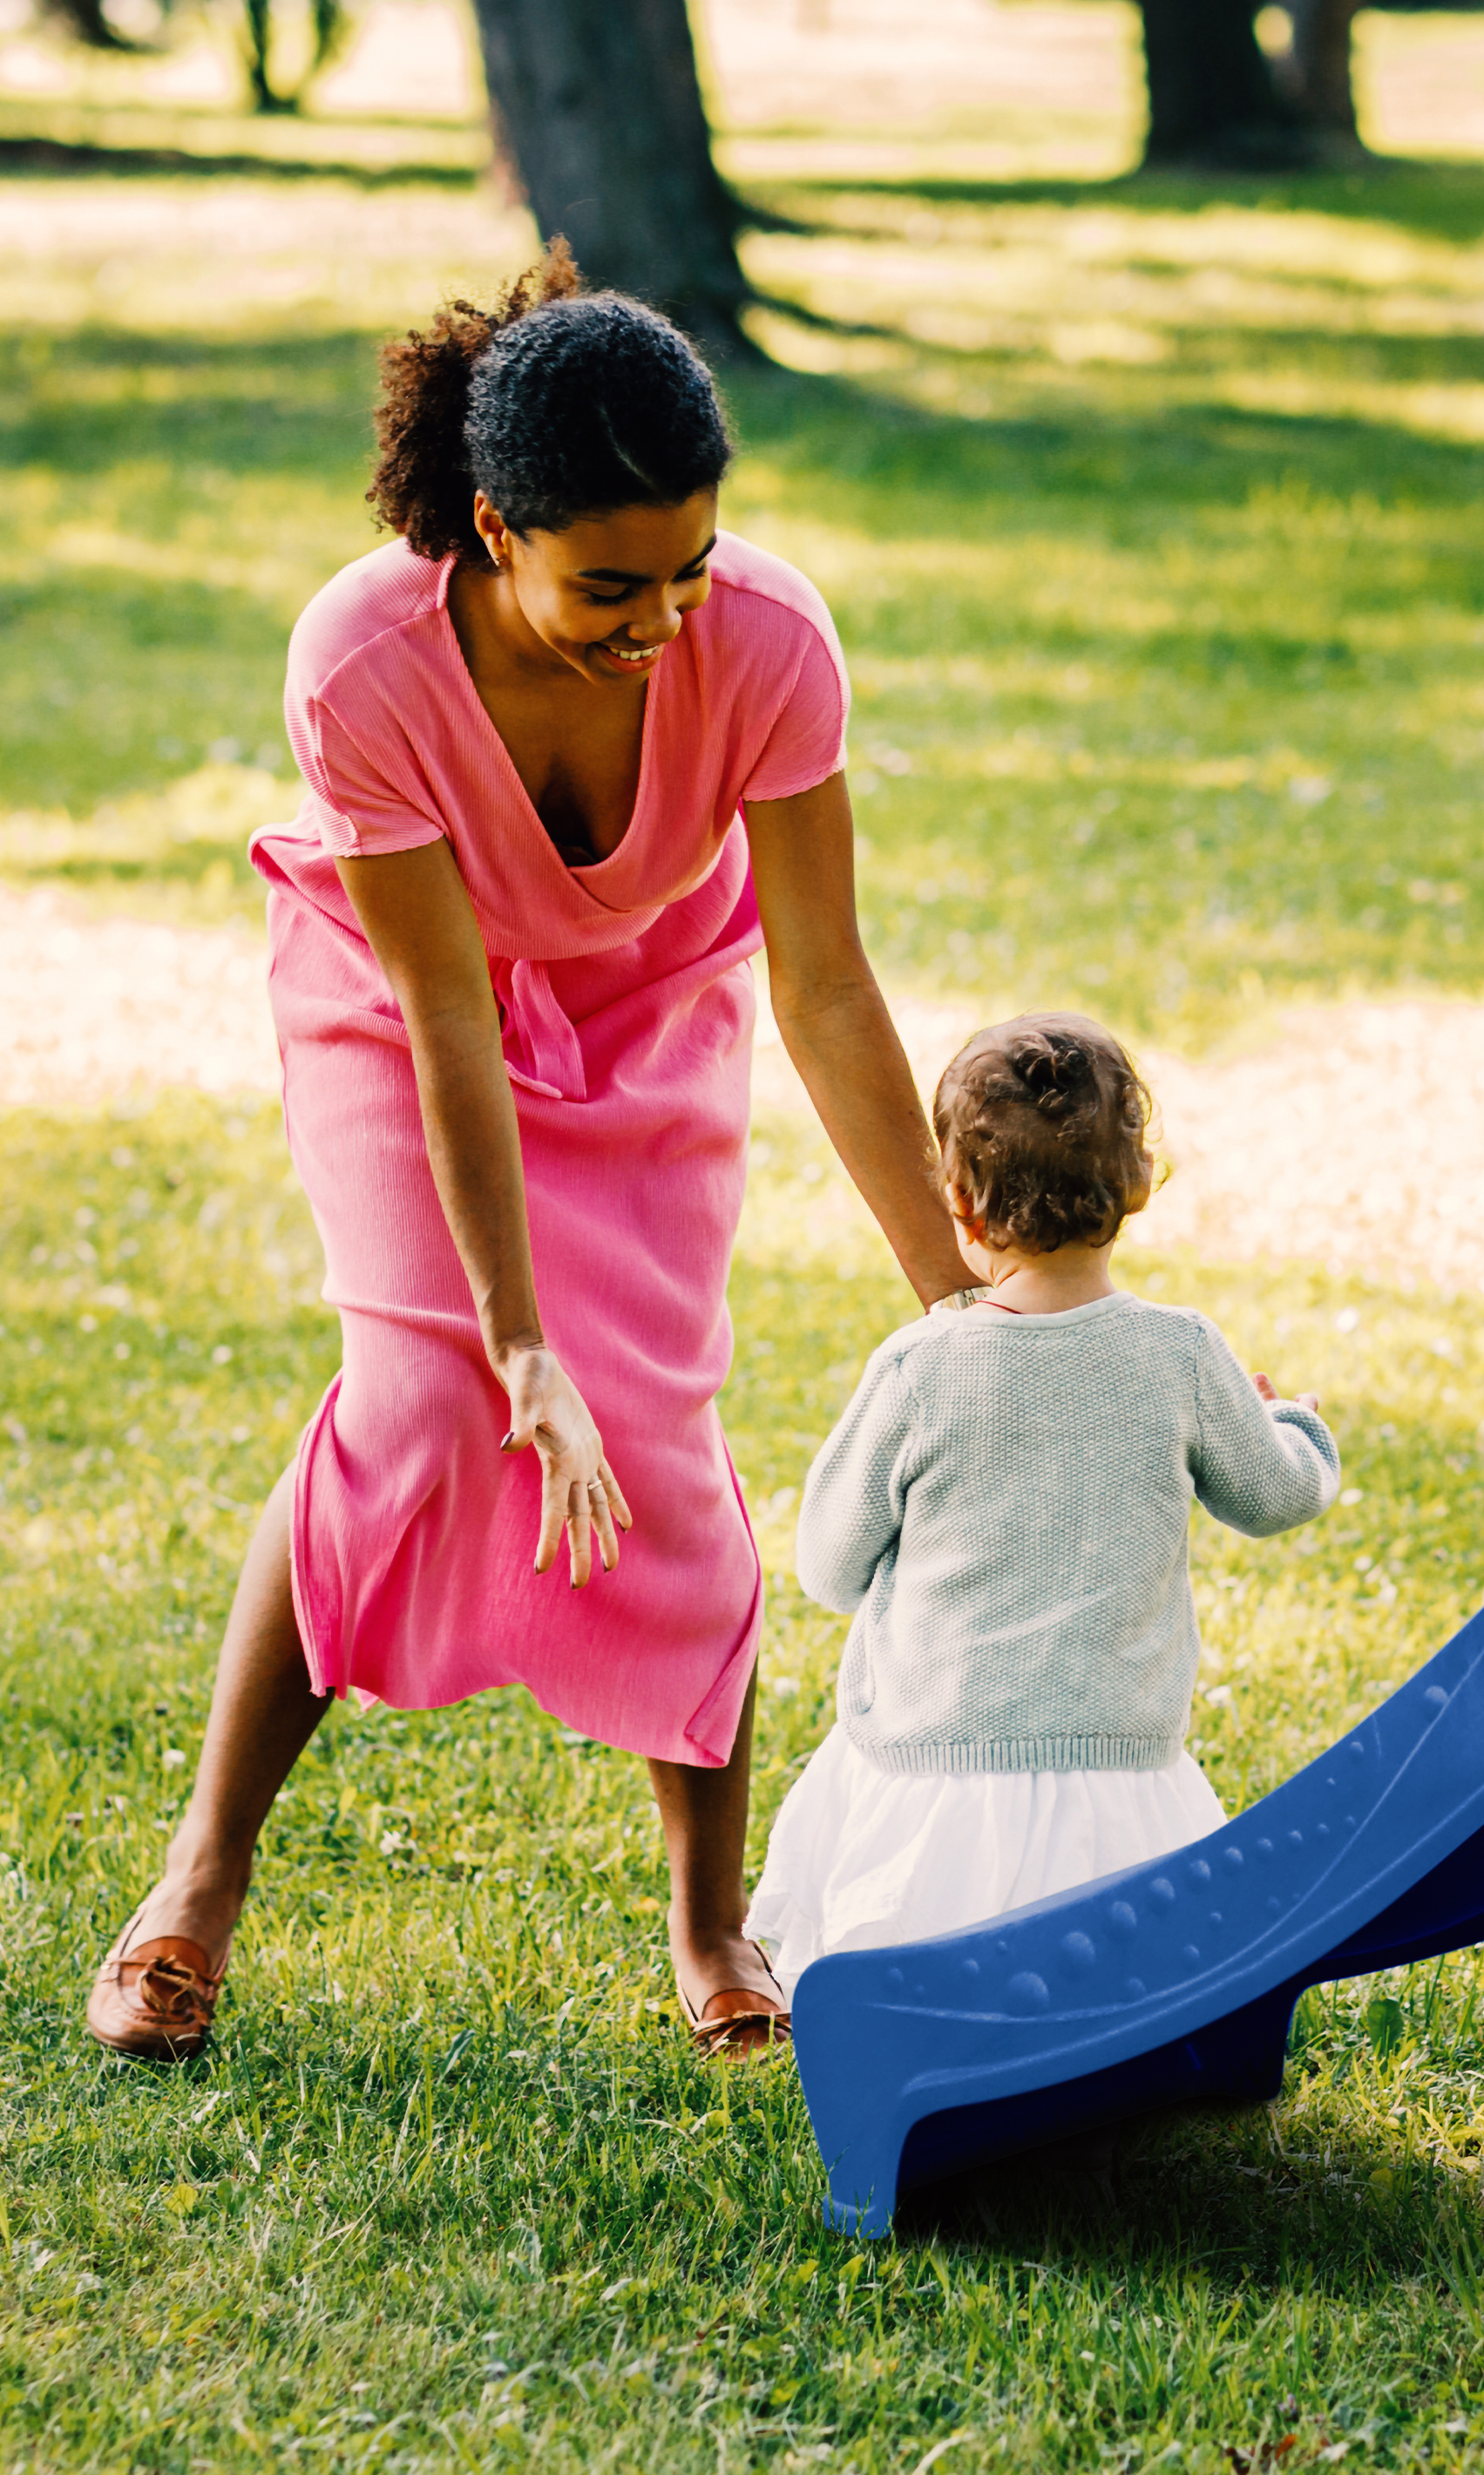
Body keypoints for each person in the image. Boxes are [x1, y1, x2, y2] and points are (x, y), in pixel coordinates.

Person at [85, 248, 977, 2065]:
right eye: (612, 585)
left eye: (693, 568)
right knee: (415, 1406)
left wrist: (964, 1303)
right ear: (495, 531)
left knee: (656, 1423)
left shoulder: (774, 646)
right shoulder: (367, 663)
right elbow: (447, 1020)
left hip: (653, 1001)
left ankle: (713, 1923)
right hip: (412, 1013)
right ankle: (195, 1886)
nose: (664, 623)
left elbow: (821, 986)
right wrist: (509, 1337)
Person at [746, 1013, 1341, 1996]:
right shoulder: (1183, 1353)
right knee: (1117, 2006)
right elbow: (1276, 1498)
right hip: (1120, 1774)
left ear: (962, 1209)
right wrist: (1300, 1429)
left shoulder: (920, 1367)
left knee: (923, 1999)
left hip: (931, 1774)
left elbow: (826, 1566)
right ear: (1137, 1185)